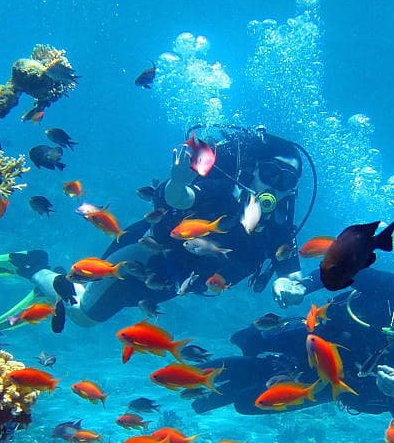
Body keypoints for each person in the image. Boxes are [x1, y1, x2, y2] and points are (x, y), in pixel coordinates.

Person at [191, 264, 394, 443]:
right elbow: (348, 267)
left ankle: (269, 370)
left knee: (247, 403)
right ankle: (271, 365)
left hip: (335, 383)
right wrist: (303, 285)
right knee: (247, 338)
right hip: (317, 337)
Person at [65, 125, 316, 326]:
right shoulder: (224, 189)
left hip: (174, 283)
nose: (274, 185)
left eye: (285, 180)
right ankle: (47, 274)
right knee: (83, 314)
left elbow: (291, 273)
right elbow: (183, 198)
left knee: (101, 312)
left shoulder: (279, 224)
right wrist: (177, 182)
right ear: (254, 170)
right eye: (270, 173)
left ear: (291, 190)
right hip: (142, 254)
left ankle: (61, 285)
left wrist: (290, 286)